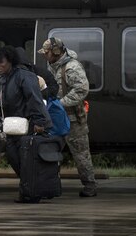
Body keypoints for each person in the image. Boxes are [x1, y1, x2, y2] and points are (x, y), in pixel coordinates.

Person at [0, 46, 51, 201]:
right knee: (14, 157)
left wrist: (39, 122)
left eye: (0, 62)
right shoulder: (3, 82)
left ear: (10, 61)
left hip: (29, 126)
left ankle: (30, 193)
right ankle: (29, 190)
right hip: (13, 128)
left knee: (26, 160)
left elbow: (34, 100)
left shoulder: (24, 76)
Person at [39, 37, 98, 197]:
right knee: (49, 153)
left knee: (81, 154)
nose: (45, 55)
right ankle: (49, 185)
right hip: (56, 119)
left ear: (56, 52)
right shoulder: (53, 67)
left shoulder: (72, 67)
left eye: (47, 52)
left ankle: (90, 185)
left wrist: (60, 104)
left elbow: (81, 90)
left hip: (73, 120)